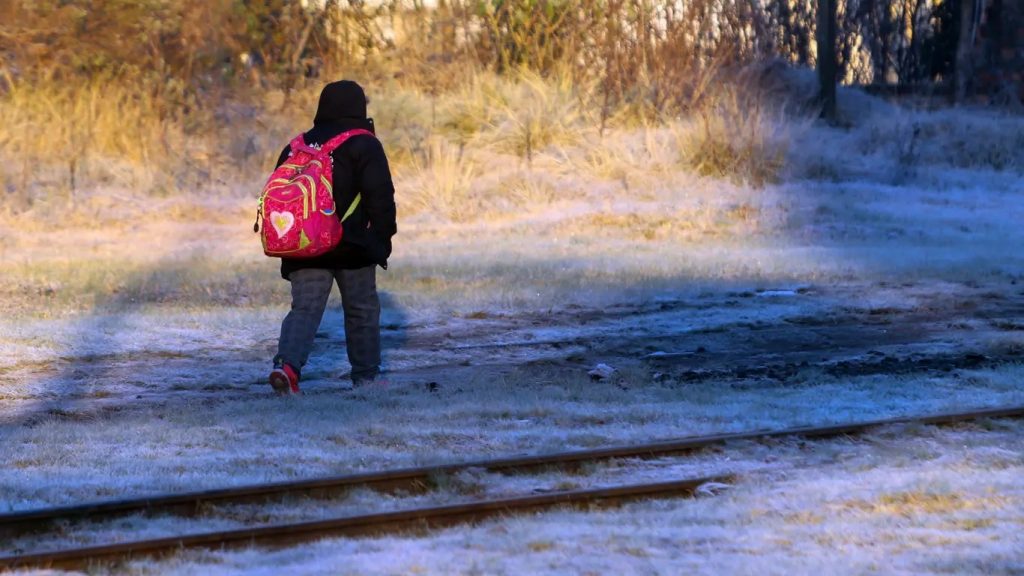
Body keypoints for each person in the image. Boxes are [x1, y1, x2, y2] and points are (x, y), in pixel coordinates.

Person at [269, 80, 397, 394]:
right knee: (362, 309)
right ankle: (366, 377)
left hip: (304, 245)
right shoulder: (364, 143)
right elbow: (380, 197)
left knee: (304, 310)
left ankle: (287, 367)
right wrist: (382, 239)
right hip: (353, 246)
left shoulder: (296, 145)